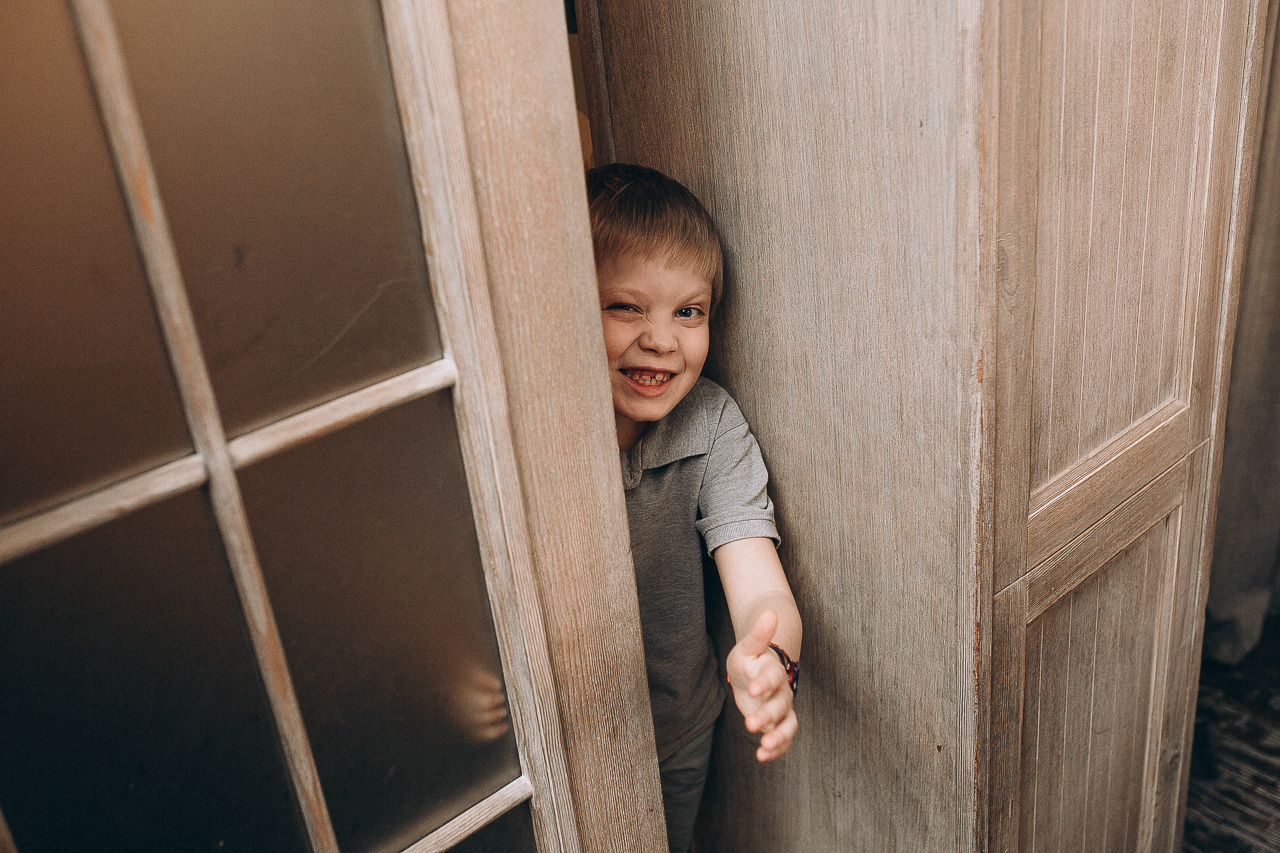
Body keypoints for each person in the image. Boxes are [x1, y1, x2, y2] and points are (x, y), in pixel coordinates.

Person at [587, 163, 802, 853]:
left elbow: (760, 583)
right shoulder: (538, 433)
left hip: (680, 731)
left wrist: (770, 658)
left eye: (689, 311)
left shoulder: (710, 422)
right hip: (560, 746)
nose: (662, 338)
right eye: (626, 306)